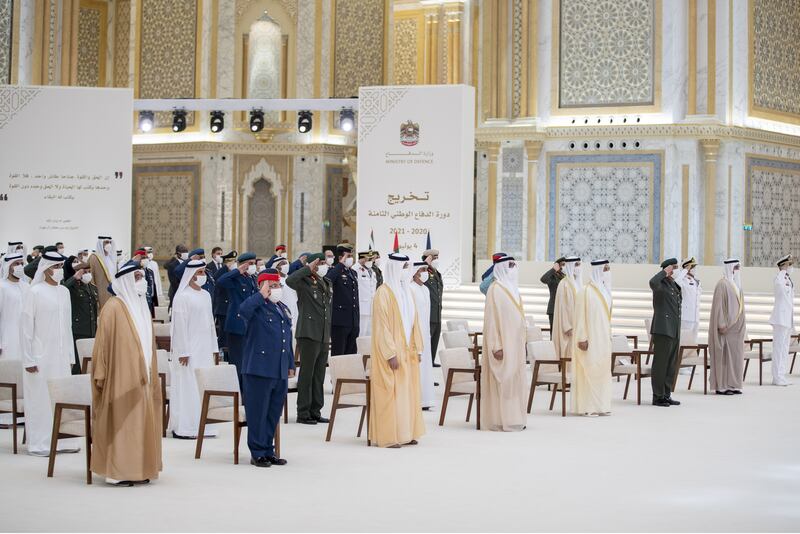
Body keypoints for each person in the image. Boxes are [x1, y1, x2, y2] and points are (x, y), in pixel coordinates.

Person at [91, 262, 162, 485]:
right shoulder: (112, 308)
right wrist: (101, 374)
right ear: (127, 281)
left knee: (142, 423)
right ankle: (118, 472)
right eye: (138, 277)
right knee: (123, 422)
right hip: (120, 377)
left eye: (142, 277)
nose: (142, 281)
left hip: (145, 375)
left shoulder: (141, 305)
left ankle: (141, 469)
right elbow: (101, 346)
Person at [20, 251, 76, 456]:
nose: (59, 271)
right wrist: (28, 359)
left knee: (59, 398)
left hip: (61, 357)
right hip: (40, 356)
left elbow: (67, 327)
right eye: (56, 267)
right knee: (40, 399)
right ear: (45, 268)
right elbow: (26, 328)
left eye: (61, 267)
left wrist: (71, 356)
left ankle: (59, 441)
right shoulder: (34, 292)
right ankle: (39, 443)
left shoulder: (64, 292)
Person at [239, 269, 294, 468]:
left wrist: (289, 364)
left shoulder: (282, 308)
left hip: (278, 369)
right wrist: (260, 296)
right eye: (272, 286)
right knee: (257, 413)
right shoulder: (256, 307)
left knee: (273, 412)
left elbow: (286, 339)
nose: (276, 289)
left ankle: (268, 450)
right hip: (258, 369)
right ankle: (257, 452)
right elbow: (242, 311)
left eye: (278, 285)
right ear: (262, 287)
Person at [369, 253, 425, 447]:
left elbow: (414, 322)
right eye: (403, 267)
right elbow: (381, 328)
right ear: (394, 268)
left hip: (408, 351)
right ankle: (388, 436)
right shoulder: (383, 293)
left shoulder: (407, 291)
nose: (406, 271)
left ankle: (406, 433)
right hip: (391, 353)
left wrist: (417, 347)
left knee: (407, 392)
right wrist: (390, 353)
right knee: (390, 393)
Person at [169, 260, 219, 439]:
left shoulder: (205, 295)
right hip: (189, 350)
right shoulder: (182, 297)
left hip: (205, 349)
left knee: (203, 385)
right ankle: (186, 426)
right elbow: (179, 327)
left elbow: (210, 323)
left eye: (204, 272)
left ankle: (205, 425)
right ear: (190, 275)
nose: (202, 276)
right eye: (199, 272)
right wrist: (183, 351)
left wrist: (214, 347)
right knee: (188, 385)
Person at [481, 254, 527, 431]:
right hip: (502, 345)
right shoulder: (495, 289)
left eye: (515, 264)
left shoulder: (514, 290)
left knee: (515, 382)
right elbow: (491, 320)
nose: (514, 268)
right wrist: (496, 345)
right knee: (503, 381)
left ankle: (514, 417)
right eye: (511, 265)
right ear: (501, 268)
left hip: (515, 344)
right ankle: (500, 419)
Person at [286, 253, 332, 425]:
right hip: (308, 332)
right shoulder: (304, 282)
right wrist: (307, 268)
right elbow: (289, 281)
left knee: (319, 375)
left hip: (322, 334)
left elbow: (329, 311)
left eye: (323, 263)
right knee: (307, 373)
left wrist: (328, 333)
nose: (323, 266)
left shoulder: (327, 283)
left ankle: (316, 410)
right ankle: (303, 412)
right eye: (319, 263)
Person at [572, 260, 613, 416]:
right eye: (605, 269)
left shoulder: (605, 291)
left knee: (602, 371)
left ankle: (602, 405)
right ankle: (588, 407)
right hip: (590, 338)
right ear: (598, 270)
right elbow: (580, 316)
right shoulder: (585, 291)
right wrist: (582, 337)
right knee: (589, 369)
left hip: (603, 338)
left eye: (609, 269)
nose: (608, 272)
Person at [217, 252, 258, 391]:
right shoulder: (236, 278)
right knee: (238, 361)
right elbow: (221, 281)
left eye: (254, 263)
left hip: (250, 325)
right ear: (243, 264)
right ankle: (237, 392)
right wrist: (237, 271)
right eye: (250, 263)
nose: (253, 266)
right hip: (237, 325)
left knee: (248, 361)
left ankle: (246, 391)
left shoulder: (252, 278)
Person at [709, 259, 747, 395]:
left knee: (736, 358)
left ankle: (734, 385)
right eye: (735, 267)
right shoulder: (722, 284)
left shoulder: (736, 284)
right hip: (726, 329)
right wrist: (721, 323)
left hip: (736, 330)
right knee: (725, 358)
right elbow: (719, 307)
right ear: (729, 267)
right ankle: (722, 386)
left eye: (738, 267)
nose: (737, 269)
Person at [649, 259, 682, 407]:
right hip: (663, 330)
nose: (675, 271)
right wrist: (664, 272)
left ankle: (666, 394)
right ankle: (657, 396)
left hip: (673, 330)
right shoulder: (660, 285)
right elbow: (652, 282)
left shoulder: (673, 285)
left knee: (670, 365)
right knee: (661, 365)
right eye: (673, 268)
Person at [62, 256, 98, 374]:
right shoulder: (71, 287)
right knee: (78, 364)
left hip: (91, 330)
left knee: (90, 363)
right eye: (84, 272)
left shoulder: (91, 287)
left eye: (89, 271)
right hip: (78, 331)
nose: (87, 274)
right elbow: (62, 290)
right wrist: (74, 278)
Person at [409, 261, 436, 410]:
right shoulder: (410, 288)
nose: (425, 272)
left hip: (425, 333)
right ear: (415, 272)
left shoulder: (425, 289)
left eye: (426, 269)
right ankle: (416, 400)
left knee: (426, 366)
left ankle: (426, 400)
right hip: (415, 334)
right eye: (422, 269)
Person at [326, 243, 359, 356]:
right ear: (340, 258)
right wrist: (340, 264)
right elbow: (328, 280)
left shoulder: (353, 273)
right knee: (338, 353)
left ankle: (349, 374)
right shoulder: (334, 271)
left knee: (351, 353)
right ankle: (338, 374)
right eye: (348, 256)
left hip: (353, 320)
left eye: (351, 256)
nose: (350, 259)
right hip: (340, 321)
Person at [769, 255, 794, 386]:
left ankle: (782, 375)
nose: (791, 267)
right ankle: (776, 377)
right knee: (778, 348)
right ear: (783, 266)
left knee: (784, 348)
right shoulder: (779, 278)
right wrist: (782, 271)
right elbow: (779, 287)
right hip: (779, 319)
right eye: (788, 265)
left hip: (787, 319)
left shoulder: (787, 279)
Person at [0, 253, 29, 361]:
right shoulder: (1, 286)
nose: (20, 266)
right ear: (8, 266)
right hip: (7, 337)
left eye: (21, 263)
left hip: (26, 338)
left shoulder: (26, 286)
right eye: (16, 264)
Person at [553, 257, 581, 363]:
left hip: (578, 326)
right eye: (576, 265)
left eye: (579, 265)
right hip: (568, 328)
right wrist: (567, 326)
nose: (578, 267)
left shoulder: (577, 284)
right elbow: (562, 307)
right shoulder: (564, 284)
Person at [212, 251, 238, 349]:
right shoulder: (221, 272)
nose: (234, 263)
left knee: (229, 334)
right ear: (227, 262)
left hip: (230, 307)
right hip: (223, 308)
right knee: (223, 333)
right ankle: (221, 351)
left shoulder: (232, 272)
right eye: (232, 261)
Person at [422, 248, 443, 367]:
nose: (437, 260)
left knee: (435, 339)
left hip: (437, 312)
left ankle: (431, 360)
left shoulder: (436, 272)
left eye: (437, 258)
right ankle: (426, 363)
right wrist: (426, 264)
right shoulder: (424, 271)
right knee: (427, 340)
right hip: (429, 313)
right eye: (434, 258)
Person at [87, 236, 117, 309]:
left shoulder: (111, 258)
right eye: (106, 242)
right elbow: (91, 279)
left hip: (113, 292)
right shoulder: (94, 258)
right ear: (100, 243)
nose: (109, 244)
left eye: (110, 242)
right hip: (101, 293)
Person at [268, 255, 298, 328]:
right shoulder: (274, 281)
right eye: (283, 264)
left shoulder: (290, 279)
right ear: (277, 266)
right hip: (281, 313)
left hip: (294, 311)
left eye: (287, 263)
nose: (286, 265)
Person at [540, 257, 567, 330]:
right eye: (563, 265)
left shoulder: (566, 277)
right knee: (554, 332)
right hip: (554, 309)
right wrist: (553, 269)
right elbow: (543, 279)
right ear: (558, 266)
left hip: (564, 309)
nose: (564, 267)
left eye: (566, 265)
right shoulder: (553, 276)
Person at [355, 251, 376, 337]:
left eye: (371, 259)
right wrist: (359, 262)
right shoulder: (357, 269)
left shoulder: (372, 271)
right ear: (362, 259)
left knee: (370, 334)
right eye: (369, 259)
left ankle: (367, 350)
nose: (371, 261)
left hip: (371, 307)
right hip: (362, 307)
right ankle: (359, 350)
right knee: (361, 333)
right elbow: (353, 269)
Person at [131, 249, 158, 317]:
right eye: (143, 258)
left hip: (148, 302)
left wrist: (154, 302)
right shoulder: (133, 272)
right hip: (138, 302)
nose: (145, 259)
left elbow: (152, 287)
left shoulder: (150, 271)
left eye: (146, 257)